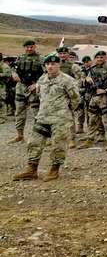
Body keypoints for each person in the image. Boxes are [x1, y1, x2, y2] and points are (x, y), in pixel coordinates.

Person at [13, 54, 79, 182]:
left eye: (53, 64)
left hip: (60, 118)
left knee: (58, 145)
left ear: (59, 65)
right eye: (48, 64)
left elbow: (75, 99)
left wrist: (65, 111)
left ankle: (54, 170)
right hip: (43, 116)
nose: (50, 66)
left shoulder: (67, 80)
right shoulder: (42, 79)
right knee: (34, 142)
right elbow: (39, 95)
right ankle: (32, 170)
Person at [79, 51, 107, 149]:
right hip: (94, 96)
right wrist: (86, 78)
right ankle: (90, 139)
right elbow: (85, 79)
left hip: (105, 97)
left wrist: (106, 90)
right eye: (97, 57)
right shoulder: (93, 69)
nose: (99, 59)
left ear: (105, 58)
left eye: (101, 57)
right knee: (92, 118)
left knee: (106, 120)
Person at [10, 39, 44, 143]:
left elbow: (46, 74)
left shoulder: (41, 59)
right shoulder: (20, 58)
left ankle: (38, 137)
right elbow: (13, 68)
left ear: (35, 47)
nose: (29, 49)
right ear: (24, 47)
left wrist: (37, 84)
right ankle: (20, 135)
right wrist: (13, 74)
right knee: (19, 112)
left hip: (33, 89)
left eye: (31, 47)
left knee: (37, 114)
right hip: (20, 88)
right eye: (27, 47)